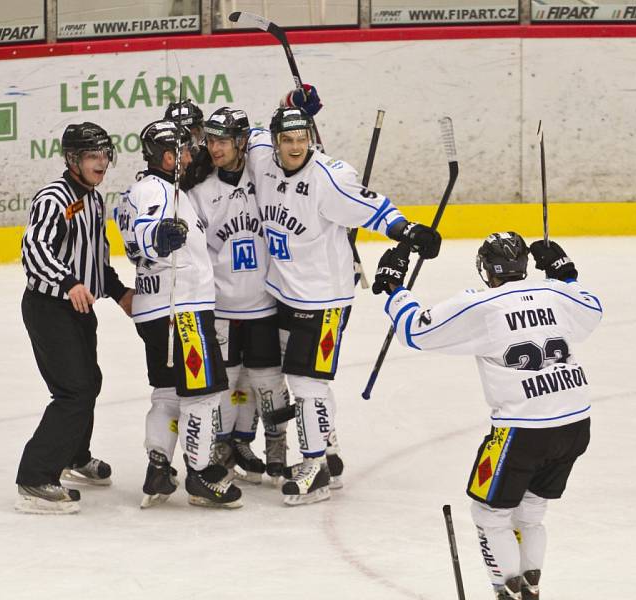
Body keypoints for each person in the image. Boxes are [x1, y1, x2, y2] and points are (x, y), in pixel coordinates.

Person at [374, 232, 602, 599]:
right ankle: (528, 591)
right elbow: (592, 309)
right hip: (575, 421)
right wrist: (565, 272)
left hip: (523, 430)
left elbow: (415, 331)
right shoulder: (555, 294)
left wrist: (394, 287)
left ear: (486, 268)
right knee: (530, 513)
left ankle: (506, 592)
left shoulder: (481, 304)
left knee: (489, 515)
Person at [246, 106, 441, 505]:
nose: (296, 146)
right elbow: (240, 137)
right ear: (276, 140)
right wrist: (293, 98)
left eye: (303, 138)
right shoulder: (261, 157)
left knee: (305, 383)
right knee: (306, 379)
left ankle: (314, 467)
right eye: (288, 139)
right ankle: (328, 448)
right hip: (282, 292)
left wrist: (409, 231)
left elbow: (376, 209)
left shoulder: (330, 179)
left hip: (325, 301)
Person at [116, 118, 242, 509]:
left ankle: (158, 469)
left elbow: (132, 236)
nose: (192, 155)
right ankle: (201, 474)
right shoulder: (159, 190)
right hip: (182, 311)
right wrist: (159, 239)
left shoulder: (137, 190)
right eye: (185, 150)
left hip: (156, 312)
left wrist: (150, 241)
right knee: (202, 395)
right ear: (169, 156)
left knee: (167, 392)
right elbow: (147, 233)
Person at [16, 122, 133, 514]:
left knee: (89, 382)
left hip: (78, 309)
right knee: (74, 390)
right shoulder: (55, 198)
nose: (101, 162)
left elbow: (97, 259)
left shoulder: (95, 201)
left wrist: (119, 294)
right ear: (72, 160)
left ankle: (74, 454)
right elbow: (33, 248)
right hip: (49, 308)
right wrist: (67, 282)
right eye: (91, 156)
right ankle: (35, 477)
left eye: (104, 155)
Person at [187, 106, 290, 484]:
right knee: (226, 384)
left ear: (242, 142)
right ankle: (223, 448)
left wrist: (291, 109)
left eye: (224, 140)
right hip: (223, 310)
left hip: (264, 305)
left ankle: (277, 451)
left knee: (269, 383)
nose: (215, 147)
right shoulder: (200, 193)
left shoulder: (265, 178)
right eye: (211, 140)